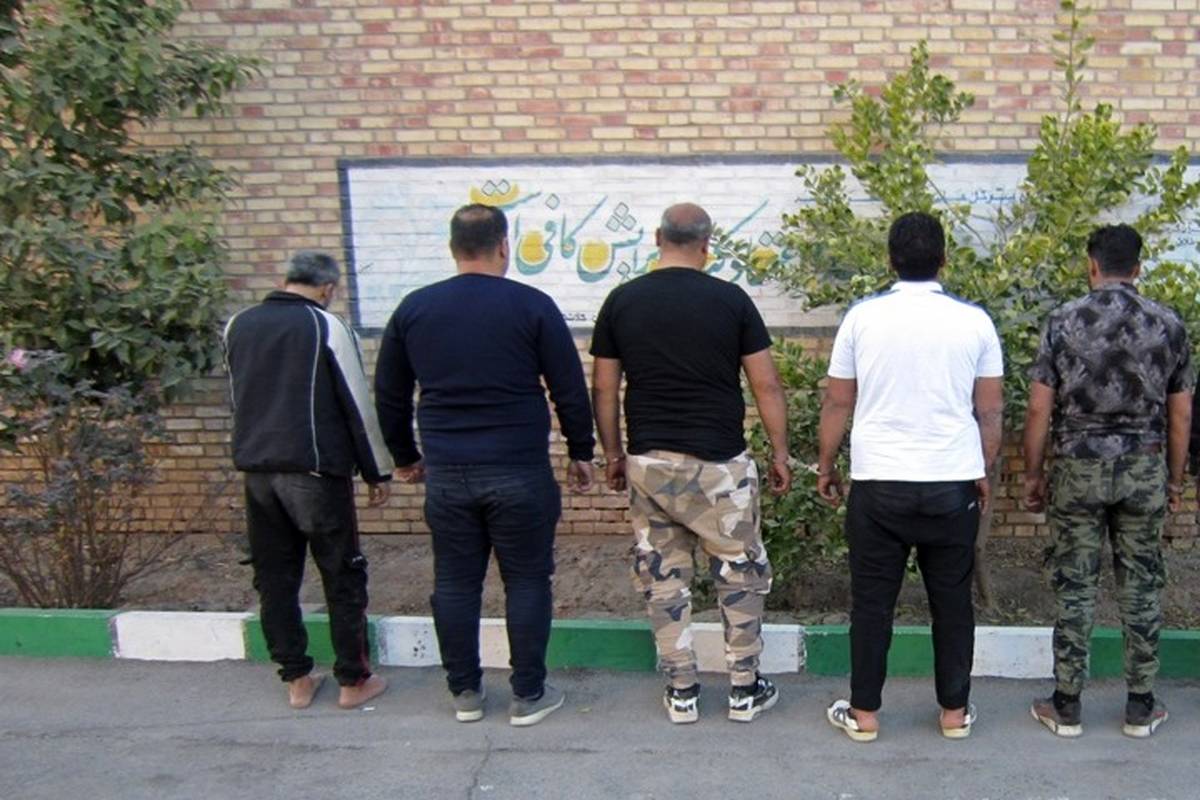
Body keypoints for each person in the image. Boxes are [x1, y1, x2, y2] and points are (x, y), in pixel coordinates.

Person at [374, 203, 595, 727]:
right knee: (527, 581)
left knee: (455, 582)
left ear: (453, 249)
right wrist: (581, 452)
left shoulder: (414, 309)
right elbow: (567, 387)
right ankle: (528, 694)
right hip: (520, 470)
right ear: (503, 246)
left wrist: (405, 457)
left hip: (449, 473)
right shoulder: (532, 305)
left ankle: (465, 694)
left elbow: (389, 394)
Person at [590, 202, 792, 725]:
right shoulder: (730, 300)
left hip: (650, 463)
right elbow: (766, 384)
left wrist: (613, 454)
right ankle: (744, 689)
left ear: (657, 238)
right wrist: (780, 452)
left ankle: (682, 690)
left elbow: (605, 387)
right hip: (720, 467)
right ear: (708, 244)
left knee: (663, 577)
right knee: (740, 573)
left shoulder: (622, 301)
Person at [816, 211, 1004, 742]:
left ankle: (865, 715)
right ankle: (954, 713)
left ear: (890, 260)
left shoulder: (862, 319)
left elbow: (837, 401)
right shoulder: (975, 322)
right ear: (944, 260)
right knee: (952, 601)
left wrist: (826, 464)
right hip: (952, 483)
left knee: (872, 603)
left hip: (879, 483)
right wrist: (982, 468)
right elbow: (990, 410)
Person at [1024, 223, 1192, 739]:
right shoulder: (1168, 323)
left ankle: (1066, 705)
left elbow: (1039, 408)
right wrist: (1175, 480)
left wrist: (1034, 474)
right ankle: (1140, 706)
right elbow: (1181, 414)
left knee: (1075, 585)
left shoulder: (1063, 321)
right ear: (1138, 268)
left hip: (1078, 466)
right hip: (1143, 465)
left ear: (1091, 266)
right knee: (1142, 586)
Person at [223, 251, 393, 710]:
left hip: (258, 473)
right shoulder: (325, 326)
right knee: (342, 574)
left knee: (275, 579)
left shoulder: (239, 325)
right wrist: (376, 470)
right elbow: (356, 402)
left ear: (286, 279)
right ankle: (353, 681)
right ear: (327, 288)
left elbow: (237, 397)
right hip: (315, 472)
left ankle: (296, 679)